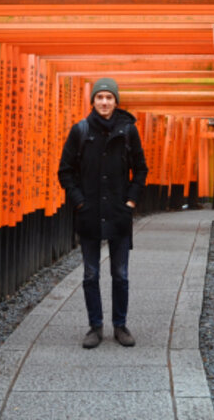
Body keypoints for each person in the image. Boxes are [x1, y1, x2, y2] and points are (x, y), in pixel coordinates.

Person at [58, 77, 148, 349]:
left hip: (118, 212)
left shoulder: (128, 131)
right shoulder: (80, 131)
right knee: (90, 274)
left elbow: (141, 169)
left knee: (120, 274)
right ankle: (95, 327)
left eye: (109, 97)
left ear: (116, 101)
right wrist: (79, 202)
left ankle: (120, 325)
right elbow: (65, 171)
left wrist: (131, 201)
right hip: (89, 212)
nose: (105, 102)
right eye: (100, 97)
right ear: (93, 101)